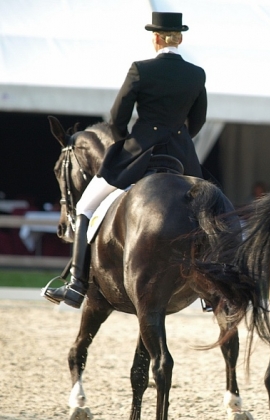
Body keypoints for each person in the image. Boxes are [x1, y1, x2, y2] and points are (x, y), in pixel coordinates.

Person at [43, 12, 207, 309]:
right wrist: (180, 138)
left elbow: (118, 117)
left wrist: (129, 139)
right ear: (179, 39)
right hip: (182, 155)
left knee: (84, 207)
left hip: (139, 153)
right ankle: (211, 292)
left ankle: (77, 285)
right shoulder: (197, 74)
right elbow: (198, 120)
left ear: (156, 39)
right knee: (211, 215)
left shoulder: (140, 70)